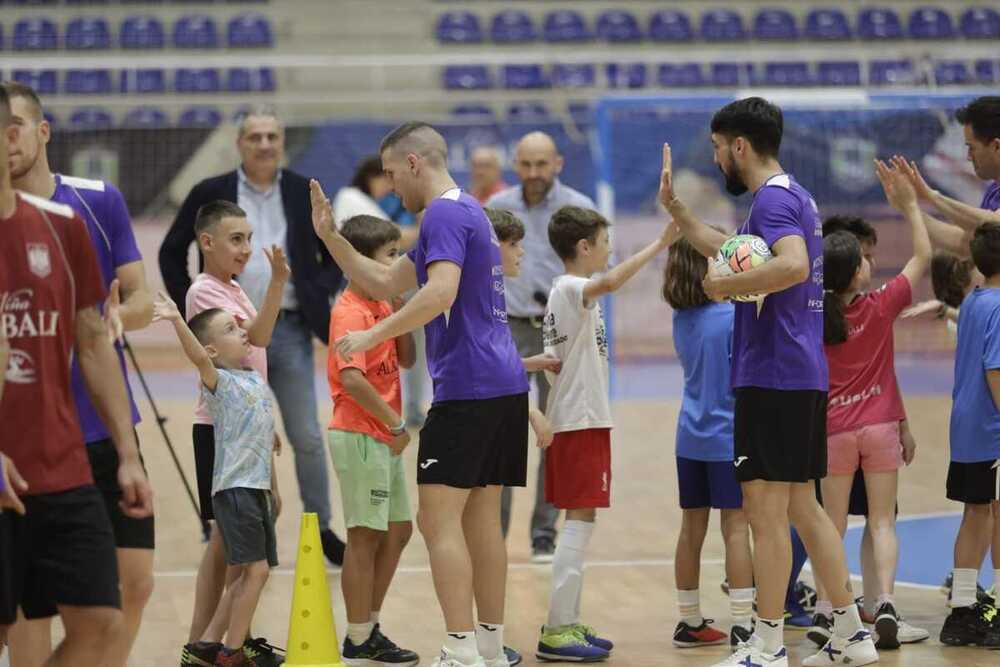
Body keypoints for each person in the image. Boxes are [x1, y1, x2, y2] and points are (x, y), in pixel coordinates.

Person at [663, 98, 878, 667]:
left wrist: (723, 290)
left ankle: (768, 643)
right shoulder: (792, 196)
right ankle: (853, 635)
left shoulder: (774, 202)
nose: (714, 160)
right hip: (798, 373)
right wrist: (683, 219)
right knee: (804, 509)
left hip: (773, 373)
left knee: (765, 511)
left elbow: (792, 266)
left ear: (739, 146)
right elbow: (741, 255)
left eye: (716, 149)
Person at [311, 122, 530, 667]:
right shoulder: (465, 212)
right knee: (481, 522)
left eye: (390, 173)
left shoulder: (444, 214)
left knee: (438, 523)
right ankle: (486, 643)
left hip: (470, 387)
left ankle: (460, 648)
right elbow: (387, 282)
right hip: (502, 385)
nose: (389, 187)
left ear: (413, 163)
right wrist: (332, 238)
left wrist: (373, 335)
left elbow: (439, 292)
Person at [2, 80, 157, 667]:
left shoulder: (90, 205)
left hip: (93, 427)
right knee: (28, 613)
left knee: (133, 586)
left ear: (42, 132)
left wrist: (111, 316)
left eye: (19, 125)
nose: (10, 140)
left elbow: (140, 299)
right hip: (21, 441)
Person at [158, 108, 346, 565]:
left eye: (273, 136)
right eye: (255, 136)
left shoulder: (303, 190)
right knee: (229, 432)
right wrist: (197, 310)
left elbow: (333, 251)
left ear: (283, 142)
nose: (265, 144)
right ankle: (224, 525)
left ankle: (319, 528)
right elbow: (170, 250)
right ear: (240, 143)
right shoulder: (212, 192)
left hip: (289, 328)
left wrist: (313, 290)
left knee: (304, 434)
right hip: (225, 340)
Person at [536, 205, 672, 661]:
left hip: (582, 419)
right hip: (578, 419)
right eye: (605, 242)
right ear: (584, 247)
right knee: (577, 522)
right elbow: (611, 282)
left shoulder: (569, 291)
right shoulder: (573, 287)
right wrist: (660, 244)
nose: (610, 251)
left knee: (583, 520)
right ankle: (556, 629)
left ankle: (567, 621)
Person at [815, 160, 931, 652]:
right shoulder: (882, 305)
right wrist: (909, 207)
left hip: (833, 431)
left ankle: (827, 611)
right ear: (857, 271)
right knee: (882, 521)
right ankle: (883, 602)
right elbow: (923, 254)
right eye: (862, 259)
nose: (869, 261)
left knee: (831, 525)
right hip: (881, 427)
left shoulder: (811, 315)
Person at [178, 200, 288, 667]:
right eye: (235, 239)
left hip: (247, 430)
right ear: (207, 242)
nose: (246, 248)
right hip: (222, 433)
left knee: (237, 549)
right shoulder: (205, 291)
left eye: (248, 237)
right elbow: (258, 338)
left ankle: (216, 642)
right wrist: (280, 282)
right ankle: (203, 643)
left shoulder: (234, 288)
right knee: (225, 546)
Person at [153, 297, 281, 666]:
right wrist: (178, 320)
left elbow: (256, 420)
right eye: (230, 329)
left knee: (253, 573)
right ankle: (232, 651)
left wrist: (269, 444)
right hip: (235, 490)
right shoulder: (218, 380)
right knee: (255, 571)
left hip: (255, 490)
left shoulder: (252, 377)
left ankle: (209, 647)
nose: (242, 331)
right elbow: (197, 356)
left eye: (239, 326)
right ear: (211, 349)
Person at [486, 131, 594, 560]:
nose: (533, 173)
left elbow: (593, 274)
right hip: (506, 327)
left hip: (558, 330)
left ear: (559, 163)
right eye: (526, 164)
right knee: (504, 427)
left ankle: (544, 533)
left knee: (556, 429)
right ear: (516, 164)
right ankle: (494, 532)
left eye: (541, 164)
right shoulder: (497, 209)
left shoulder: (580, 209)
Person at [326, 214, 420, 666]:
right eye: (390, 256)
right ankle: (358, 637)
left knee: (400, 530)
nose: (397, 264)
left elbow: (407, 358)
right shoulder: (348, 311)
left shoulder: (382, 306)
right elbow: (353, 380)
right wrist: (396, 425)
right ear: (360, 263)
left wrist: (401, 309)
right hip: (362, 433)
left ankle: (370, 625)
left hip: (382, 434)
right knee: (364, 536)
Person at [664, 235, 755, 651]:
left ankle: (689, 621)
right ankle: (742, 623)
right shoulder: (733, 318)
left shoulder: (682, 319)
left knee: (691, 528)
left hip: (690, 436)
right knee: (736, 528)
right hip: (727, 435)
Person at [941, 221, 1000, 649]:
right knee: (991, 515)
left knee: (976, 514)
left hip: (967, 428)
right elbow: (995, 370)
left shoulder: (975, 300)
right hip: (992, 429)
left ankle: (962, 612)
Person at [894, 96, 1000, 257]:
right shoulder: (994, 191)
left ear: (996, 146)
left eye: (972, 148)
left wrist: (931, 196)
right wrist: (909, 208)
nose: (969, 156)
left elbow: (995, 224)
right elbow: (966, 242)